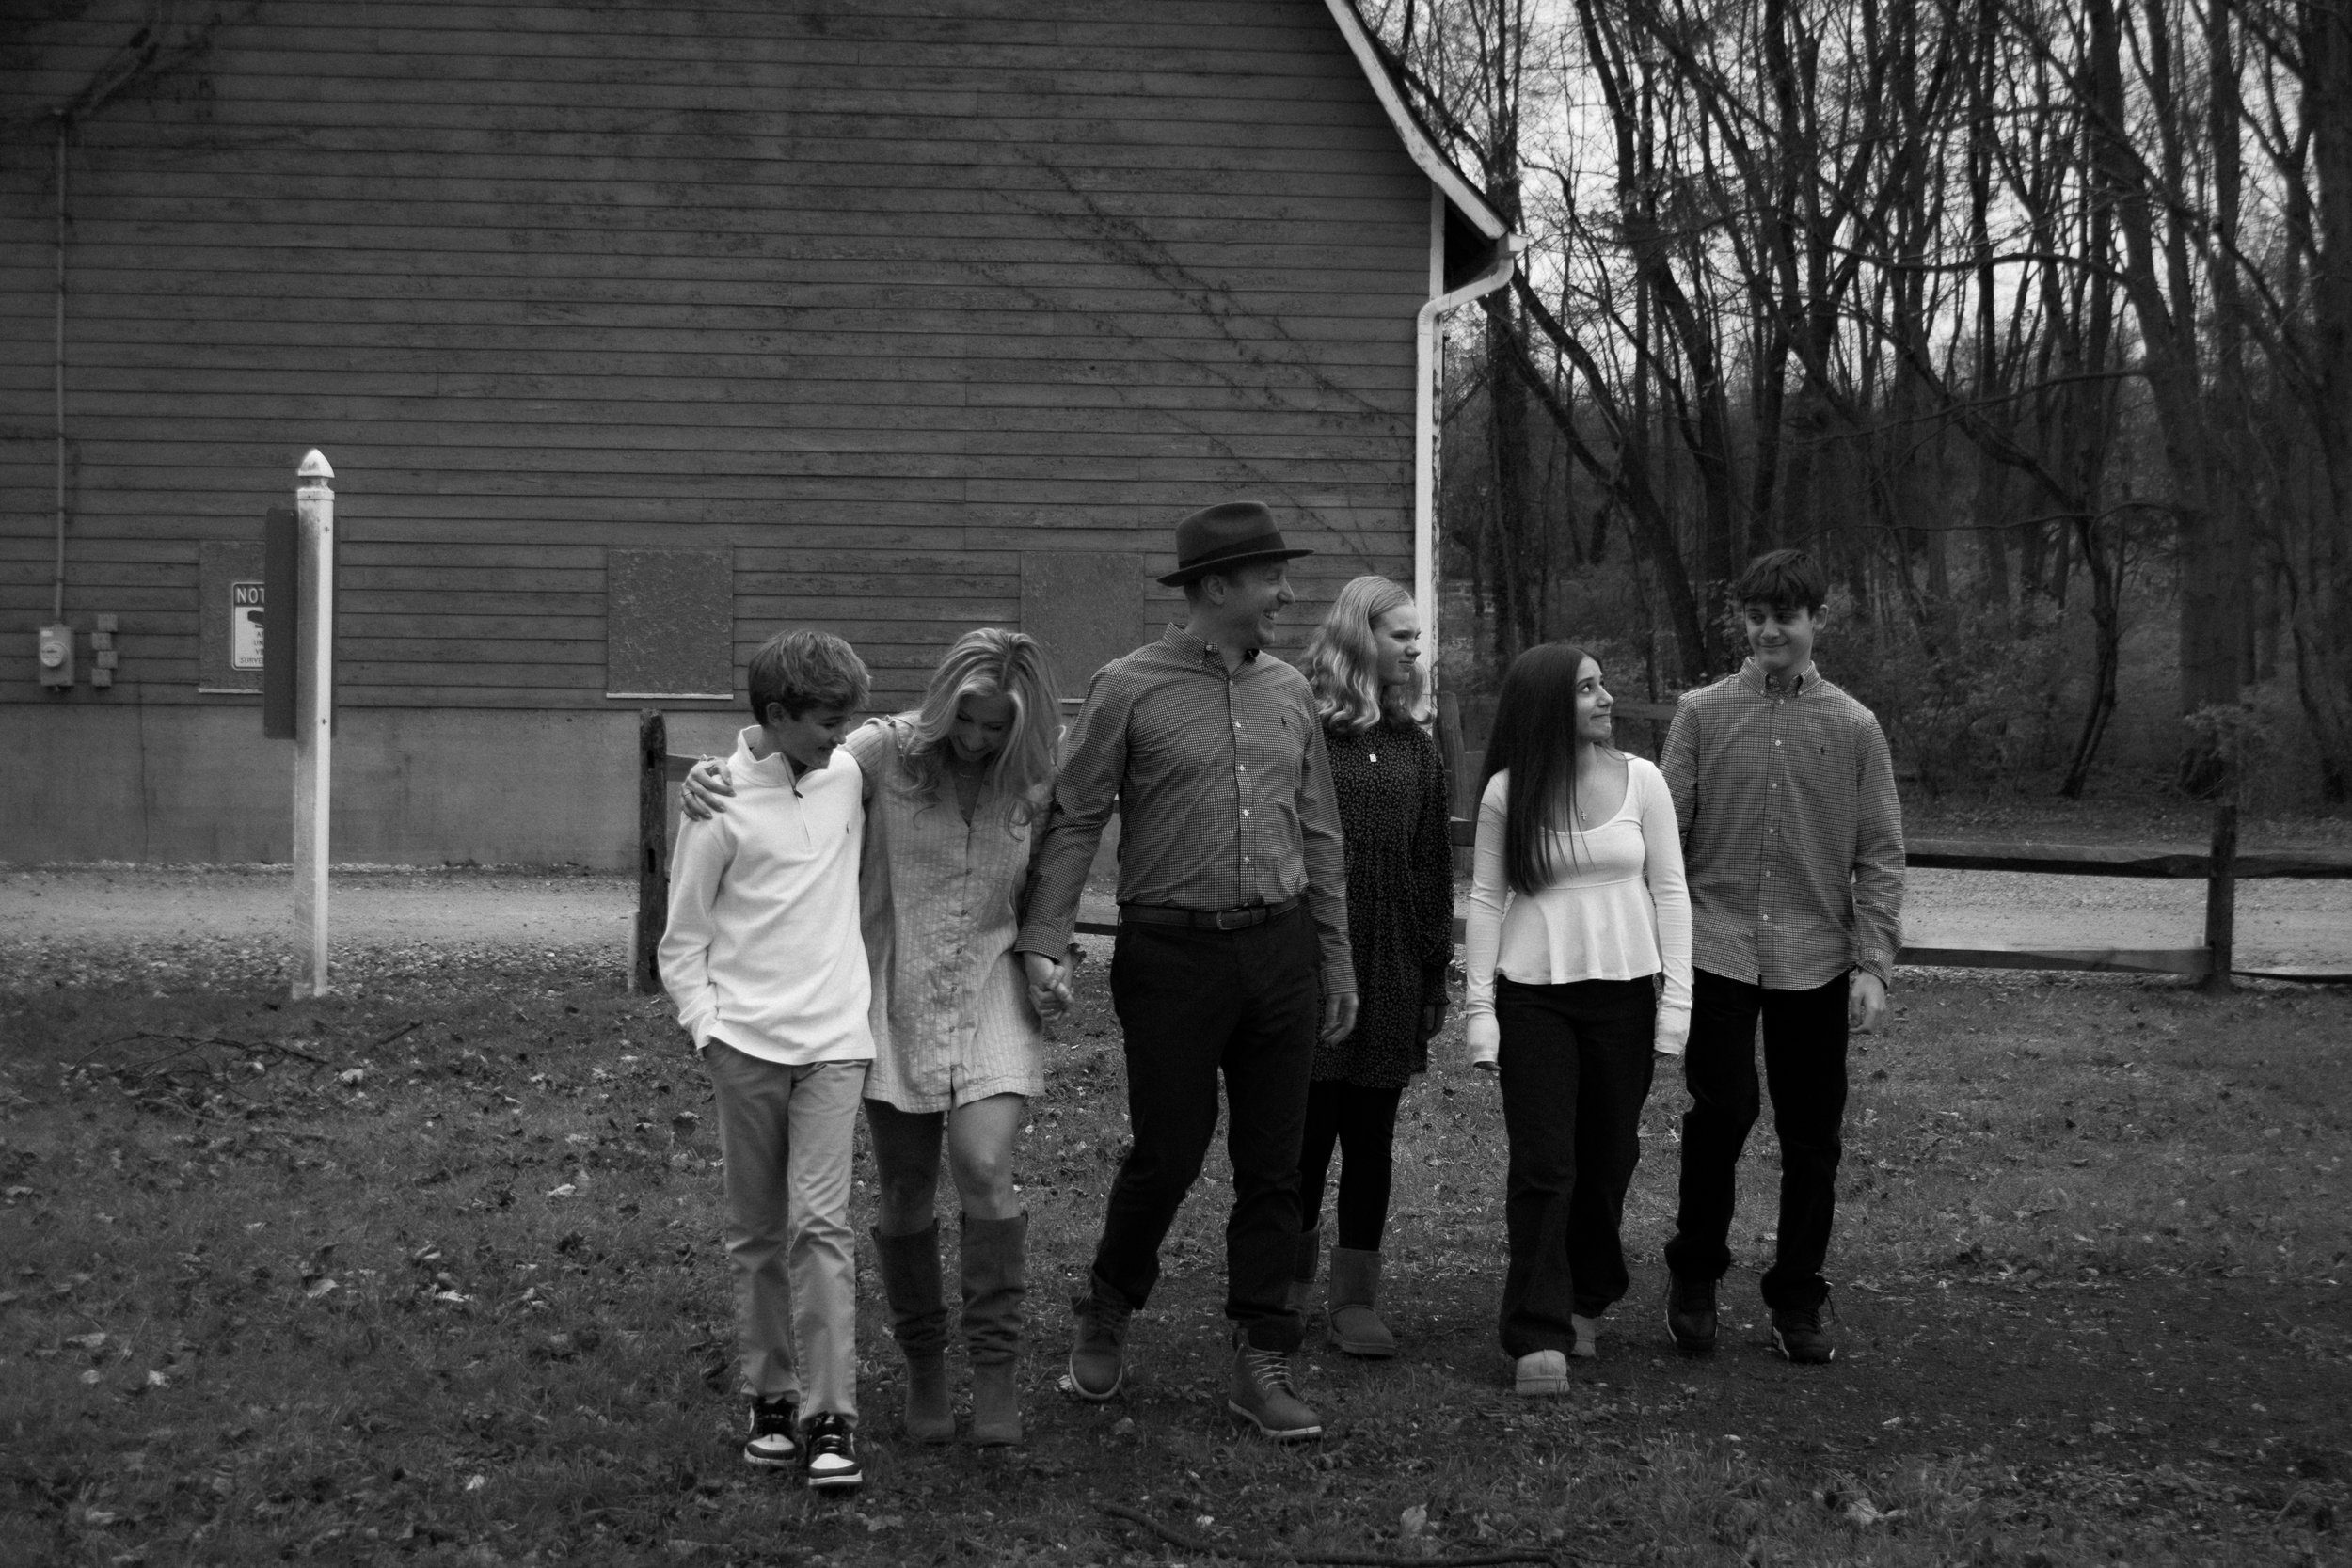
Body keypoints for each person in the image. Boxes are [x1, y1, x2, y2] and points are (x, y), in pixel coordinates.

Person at [1016, 499, 1358, 1443]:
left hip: (1280, 949)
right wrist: (1043, 938)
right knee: (1167, 1150)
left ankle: (1261, 1354)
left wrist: (1333, 952)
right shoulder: (1127, 688)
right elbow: (1077, 812)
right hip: (1172, 955)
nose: (1286, 593)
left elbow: (1318, 827)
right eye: (1270, 578)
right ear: (1217, 588)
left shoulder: (1290, 691)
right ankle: (1109, 1307)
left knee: (1275, 1161)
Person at [682, 628, 1073, 1449]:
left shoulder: (1038, 775)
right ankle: (926, 1368)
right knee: (902, 1191)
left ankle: (994, 1373)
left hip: (992, 981)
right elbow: (779, 755)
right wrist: (710, 773)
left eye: (994, 726)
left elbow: (1056, 873)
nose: (974, 739)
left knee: (985, 1165)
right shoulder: (882, 752)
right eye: (964, 720)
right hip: (892, 987)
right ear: (941, 705)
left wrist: (1046, 955)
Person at [1660, 548, 1904, 1365]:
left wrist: (1872, 962)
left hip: (1814, 954)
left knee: (1812, 1135)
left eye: (1785, 617)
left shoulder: (1855, 726)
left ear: (1815, 623)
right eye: (1757, 616)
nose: (1769, 631)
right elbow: (1662, 843)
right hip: (1717, 942)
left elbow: (1882, 851)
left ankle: (1798, 1296)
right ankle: (1694, 1278)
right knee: (1721, 1114)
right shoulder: (1700, 714)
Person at [659, 628, 876, 1492]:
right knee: (756, 1233)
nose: (841, 736)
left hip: (833, 1045)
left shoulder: (851, 771)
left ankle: (832, 1415)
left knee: (820, 1226)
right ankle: (771, 1396)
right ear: (778, 715)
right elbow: (682, 939)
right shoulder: (715, 806)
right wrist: (707, 1029)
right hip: (745, 1047)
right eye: (828, 722)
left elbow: (914, 734)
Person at [1463, 643, 1692, 1396]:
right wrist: (1480, 1013)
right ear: (1546, 705)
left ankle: (1588, 1292)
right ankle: (1537, 1329)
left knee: (1607, 1161)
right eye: (1587, 688)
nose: (1605, 697)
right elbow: (1489, 901)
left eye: (1603, 682)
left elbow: (1670, 892)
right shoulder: (1508, 792)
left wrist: (1676, 1006)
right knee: (1544, 1165)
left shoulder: (1644, 781)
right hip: (1535, 999)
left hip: (1625, 998)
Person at [1285, 576, 1455, 1356]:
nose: (1416, 649)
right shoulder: (1308, 728)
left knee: (1372, 1135)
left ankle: (1356, 1299)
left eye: (1417, 638)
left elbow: (1430, 864)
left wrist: (1432, 967)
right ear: (1361, 637)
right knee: (1305, 1133)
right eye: (1402, 635)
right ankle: (1283, 1287)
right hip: (1318, 950)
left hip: (1391, 957)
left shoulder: (1418, 743)